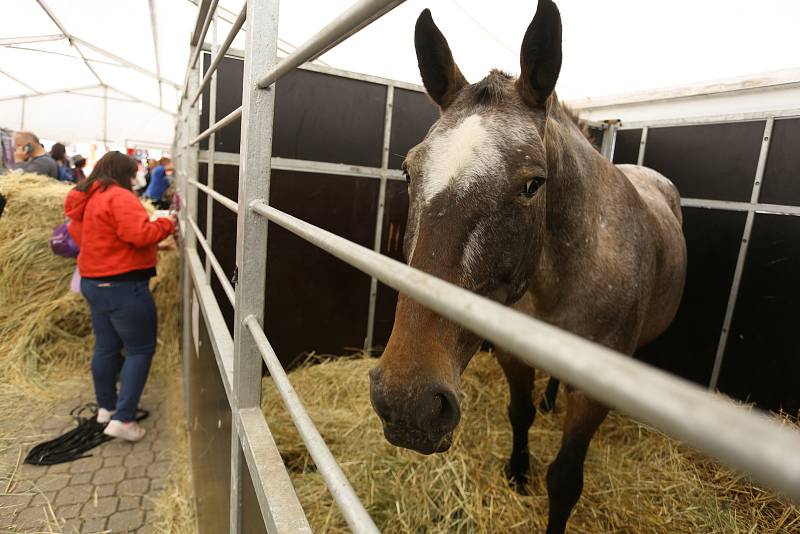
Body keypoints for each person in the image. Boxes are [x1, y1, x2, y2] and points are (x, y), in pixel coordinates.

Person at [64, 151, 176, 441]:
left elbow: (93, 238)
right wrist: (168, 223)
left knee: (106, 347)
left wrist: (143, 249)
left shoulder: (86, 198)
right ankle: (124, 420)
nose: (135, 177)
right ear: (124, 172)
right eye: (133, 172)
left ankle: (106, 408)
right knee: (140, 349)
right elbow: (140, 234)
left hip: (93, 282)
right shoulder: (118, 196)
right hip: (123, 286)